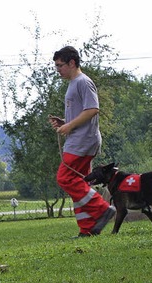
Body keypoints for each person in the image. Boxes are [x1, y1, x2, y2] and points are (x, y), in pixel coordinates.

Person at [48, 46, 115, 237]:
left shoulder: (83, 82)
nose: (58, 70)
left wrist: (69, 127)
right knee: (80, 185)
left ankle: (102, 209)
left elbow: (93, 109)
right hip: (81, 139)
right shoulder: (73, 83)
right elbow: (82, 113)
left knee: (65, 178)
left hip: (82, 142)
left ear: (72, 63)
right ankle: (87, 229)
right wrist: (66, 122)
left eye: (60, 65)